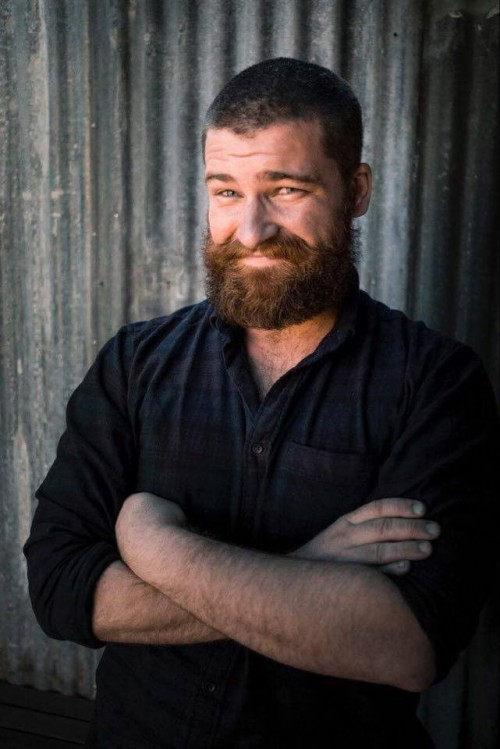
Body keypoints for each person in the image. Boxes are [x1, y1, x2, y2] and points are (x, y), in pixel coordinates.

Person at [24, 58, 498, 749]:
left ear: (356, 190)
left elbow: (406, 645)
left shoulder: (434, 382)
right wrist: (311, 566)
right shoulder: (135, 363)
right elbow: (61, 591)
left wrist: (157, 547)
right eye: (226, 191)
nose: (250, 231)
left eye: (285, 189)